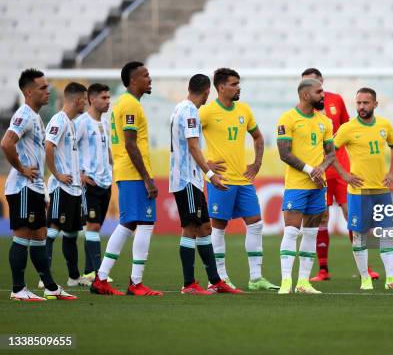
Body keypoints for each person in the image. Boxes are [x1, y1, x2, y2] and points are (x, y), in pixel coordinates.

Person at [200, 68, 278, 291]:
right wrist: (207, 167)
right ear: (221, 87)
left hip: (243, 180)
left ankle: (255, 278)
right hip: (220, 181)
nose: (238, 87)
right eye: (234, 84)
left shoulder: (244, 110)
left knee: (255, 223)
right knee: (219, 227)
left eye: (238, 83)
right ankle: (219, 278)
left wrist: (257, 163)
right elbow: (188, 140)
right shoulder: (206, 112)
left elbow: (258, 137)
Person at [1, 68, 76, 300]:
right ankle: (18, 289)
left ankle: (51, 287)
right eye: (43, 87)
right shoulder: (23, 115)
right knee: (23, 237)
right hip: (22, 187)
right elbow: (6, 143)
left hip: (33, 187)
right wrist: (22, 169)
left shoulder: (35, 116)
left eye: (47, 86)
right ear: (29, 91)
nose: (48, 91)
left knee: (40, 235)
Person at [301, 68, 379, 282]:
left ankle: (366, 268)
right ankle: (323, 270)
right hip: (320, 170)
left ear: (321, 82)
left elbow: (349, 128)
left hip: (342, 168)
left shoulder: (336, 100)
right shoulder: (301, 110)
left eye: (313, 82)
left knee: (352, 216)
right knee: (320, 217)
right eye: (306, 83)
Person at [91, 62, 161, 296]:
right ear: (133, 81)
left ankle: (102, 278)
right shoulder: (130, 105)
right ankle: (135, 283)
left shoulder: (125, 103)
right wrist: (147, 179)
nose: (150, 79)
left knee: (130, 223)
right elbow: (130, 143)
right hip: (133, 173)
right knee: (144, 223)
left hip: (126, 171)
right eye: (145, 75)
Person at [333, 87, 393, 290]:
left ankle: (392, 279)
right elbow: (329, 152)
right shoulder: (347, 128)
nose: (361, 107)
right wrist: (344, 175)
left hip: (381, 191)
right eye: (358, 103)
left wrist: (392, 172)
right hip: (359, 192)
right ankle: (365, 279)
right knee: (360, 235)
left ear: (375, 105)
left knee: (387, 233)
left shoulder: (384, 125)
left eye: (365, 103)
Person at [169, 74, 242, 294]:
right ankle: (189, 284)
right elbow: (192, 146)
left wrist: (205, 166)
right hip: (186, 178)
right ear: (208, 91)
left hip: (189, 176)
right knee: (190, 228)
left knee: (204, 227)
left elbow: (188, 147)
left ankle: (215, 280)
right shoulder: (191, 111)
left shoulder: (179, 108)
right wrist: (210, 174)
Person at [276, 78, 336, 294]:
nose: (323, 95)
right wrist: (311, 170)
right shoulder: (288, 119)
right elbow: (284, 153)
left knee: (310, 234)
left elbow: (331, 153)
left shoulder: (325, 122)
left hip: (319, 186)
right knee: (291, 232)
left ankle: (303, 282)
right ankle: (285, 281)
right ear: (304, 95)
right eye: (319, 91)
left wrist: (320, 168)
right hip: (297, 185)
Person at [45, 82, 89, 287]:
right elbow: (49, 146)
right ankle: (44, 279)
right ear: (77, 99)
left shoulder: (71, 123)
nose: (86, 103)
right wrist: (57, 174)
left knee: (71, 233)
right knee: (52, 230)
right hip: (61, 187)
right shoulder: (59, 120)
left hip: (74, 188)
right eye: (85, 99)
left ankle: (73, 277)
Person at [75, 83, 113, 282]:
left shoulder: (105, 123)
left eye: (108, 97)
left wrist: (111, 168)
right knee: (93, 226)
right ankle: (97, 274)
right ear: (92, 99)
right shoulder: (81, 122)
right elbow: (68, 149)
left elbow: (107, 151)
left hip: (105, 183)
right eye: (104, 98)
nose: (108, 101)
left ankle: (90, 272)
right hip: (89, 182)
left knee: (96, 227)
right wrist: (79, 174)